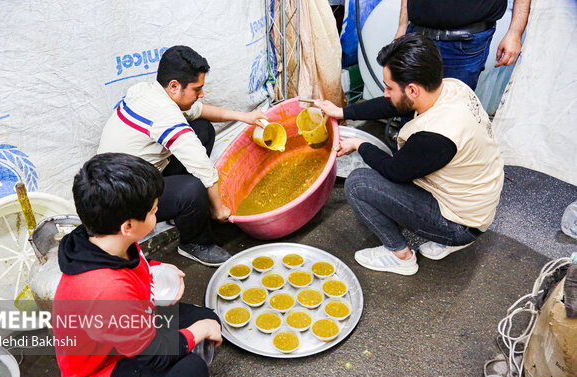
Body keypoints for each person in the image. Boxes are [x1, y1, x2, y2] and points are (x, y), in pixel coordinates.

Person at [314, 33, 504, 276]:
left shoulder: (437, 136)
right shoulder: (452, 87)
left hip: (461, 223)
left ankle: (400, 255)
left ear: (413, 89)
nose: (384, 92)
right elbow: (393, 103)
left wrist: (359, 144)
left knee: (359, 184)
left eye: (389, 87)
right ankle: (447, 235)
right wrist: (342, 111)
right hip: (477, 197)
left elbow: (395, 171)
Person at [54, 153, 223, 377]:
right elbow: (153, 352)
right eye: (154, 211)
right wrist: (200, 330)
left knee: (207, 317)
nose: (157, 215)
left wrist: (155, 269)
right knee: (189, 374)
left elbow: (134, 265)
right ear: (128, 226)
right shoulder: (107, 290)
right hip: (103, 364)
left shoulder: (102, 237)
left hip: (128, 326)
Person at [98, 45, 267, 267]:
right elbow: (202, 167)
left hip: (139, 174)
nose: (201, 94)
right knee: (193, 188)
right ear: (175, 86)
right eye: (197, 89)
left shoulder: (150, 92)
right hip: (123, 199)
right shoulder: (164, 113)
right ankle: (195, 243)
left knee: (202, 129)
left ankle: (182, 212)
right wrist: (218, 209)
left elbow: (199, 111)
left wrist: (245, 117)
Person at [395, 0, 531, 90]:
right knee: (408, 106)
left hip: (466, 43)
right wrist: (402, 26)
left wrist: (515, 33)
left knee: (453, 112)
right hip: (418, 35)